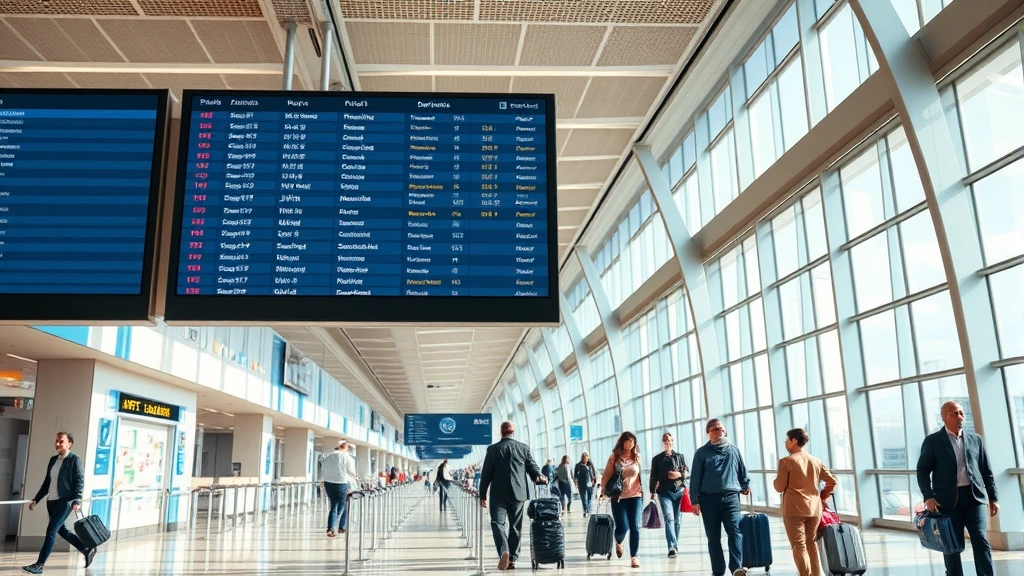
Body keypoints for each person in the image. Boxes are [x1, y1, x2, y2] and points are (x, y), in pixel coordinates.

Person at [917, 401, 998, 576]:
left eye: (961, 413)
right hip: (947, 500)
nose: (960, 417)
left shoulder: (975, 439)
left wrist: (993, 497)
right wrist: (928, 496)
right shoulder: (933, 441)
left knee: (980, 539)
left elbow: (986, 470)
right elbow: (922, 471)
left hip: (974, 498)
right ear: (944, 417)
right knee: (952, 546)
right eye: (954, 413)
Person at [22, 432, 95, 575]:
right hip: (52, 501)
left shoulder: (74, 460)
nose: (57, 444)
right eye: (56, 441)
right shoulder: (53, 460)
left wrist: (77, 499)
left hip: (65, 501)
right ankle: (85, 549)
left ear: (69, 444)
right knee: (62, 530)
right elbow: (47, 482)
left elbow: (80, 481)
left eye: (61, 441)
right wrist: (36, 499)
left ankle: (39, 565)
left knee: (51, 531)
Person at [479, 421, 547, 571]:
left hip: (498, 494)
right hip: (519, 493)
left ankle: (504, 551)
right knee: (515, 527)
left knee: (497, 523)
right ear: (513, 432)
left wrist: (482, 494)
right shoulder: (523, 448)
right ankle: (512, 560)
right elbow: (532, 466)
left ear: (501, 433)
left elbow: (486, 474)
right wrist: (540, 476)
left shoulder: (493, 449)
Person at [773, 428, 837, 576]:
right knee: (811, 543)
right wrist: (822, 496)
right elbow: (832, 481)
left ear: (794, 441)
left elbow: (779, 487)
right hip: (814, 509)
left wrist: (775, 481)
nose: (785, 444)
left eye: (787, 441)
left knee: (798, 546)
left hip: (794, 510)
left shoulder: (786, 462)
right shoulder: (816, 461)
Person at [691, 418, 751, 576]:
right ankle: (718, 570)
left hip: (731, 497)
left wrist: (745, 485)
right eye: (715, 429)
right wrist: (694, 501)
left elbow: (742, 470)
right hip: (708, 499)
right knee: (713, 536)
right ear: (708, 433)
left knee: (735, 531)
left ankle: (736, 567)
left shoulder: (733, 450)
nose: (719, 432)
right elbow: (695, 478)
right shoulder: (701, 453)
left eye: (721, 429)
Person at [600, 431, 644, 569]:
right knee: (622, 527)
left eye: (632, 441)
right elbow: (607, 475)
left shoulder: (637, 457)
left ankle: (634, 557)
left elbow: (641, 475)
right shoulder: (614, 457)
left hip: (635, 495)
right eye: (627, 441)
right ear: (622, 442)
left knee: (635, 526)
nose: (629, 444)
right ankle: (619, 541)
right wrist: (603, 491)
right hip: (618, 496)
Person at [649, 431, 689, 557]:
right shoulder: (657, 459)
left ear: (672, 442)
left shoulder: (680, 456)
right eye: (665, 441)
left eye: (670, 441)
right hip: (664, 493)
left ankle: (674, 544)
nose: (668, 443)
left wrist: (679, 475)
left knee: (677, 521)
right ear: (663, 443)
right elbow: (653, 477)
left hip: (679, 492)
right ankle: (672, 546)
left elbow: (687, 472)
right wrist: (652, 492)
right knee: (669, 518)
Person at [320, 440, 356, 537]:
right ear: (345, 448)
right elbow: (351, 472)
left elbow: (323, 469)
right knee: (343, 505)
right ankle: (340, 527)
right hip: (341, 483)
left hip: (328, 483)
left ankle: (330, 527)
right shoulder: (347, 457)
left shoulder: (327, 456)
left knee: (333, 506)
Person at [574, 452, 598, 518]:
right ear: (582, 458)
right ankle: (585, 511)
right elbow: (575, 476)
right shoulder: (578, 466)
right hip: (582, 484)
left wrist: (594, 481)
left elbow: (594, 473)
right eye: (584, 458)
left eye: (587, 458)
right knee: (584, 499)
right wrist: (576, 483)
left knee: (590, 498)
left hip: (590, 484)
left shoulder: (590, 465)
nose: (586, 459)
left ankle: (589, 511)